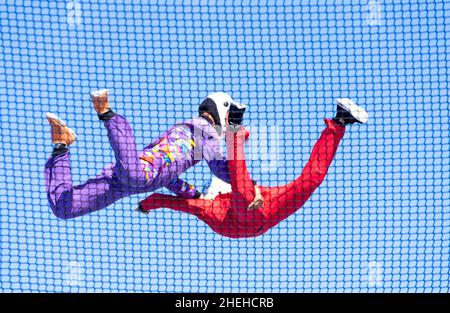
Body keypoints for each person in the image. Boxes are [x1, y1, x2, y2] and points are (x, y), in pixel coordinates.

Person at [138, 99, 369, 238]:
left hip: (263, 203)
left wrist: (147, 204)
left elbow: (168, 199)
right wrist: (147, 204)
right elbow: (172, 201)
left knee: (309, 181)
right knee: (246, 186)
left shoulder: (207, 207)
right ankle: (236, 130)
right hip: (249, 216)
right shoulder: (210, 210)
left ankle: (340, 119)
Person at [44, 89, 240, 219]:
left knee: (65, 208)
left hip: (122, 182)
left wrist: (196, 195)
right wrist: (245, 183)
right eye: (229, 116)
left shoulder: (188, 132)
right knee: (135, 175)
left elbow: (168, 178)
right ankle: (107, 114)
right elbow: (220, 167)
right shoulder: (206, 132)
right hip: (137, 172)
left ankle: (62, 144)